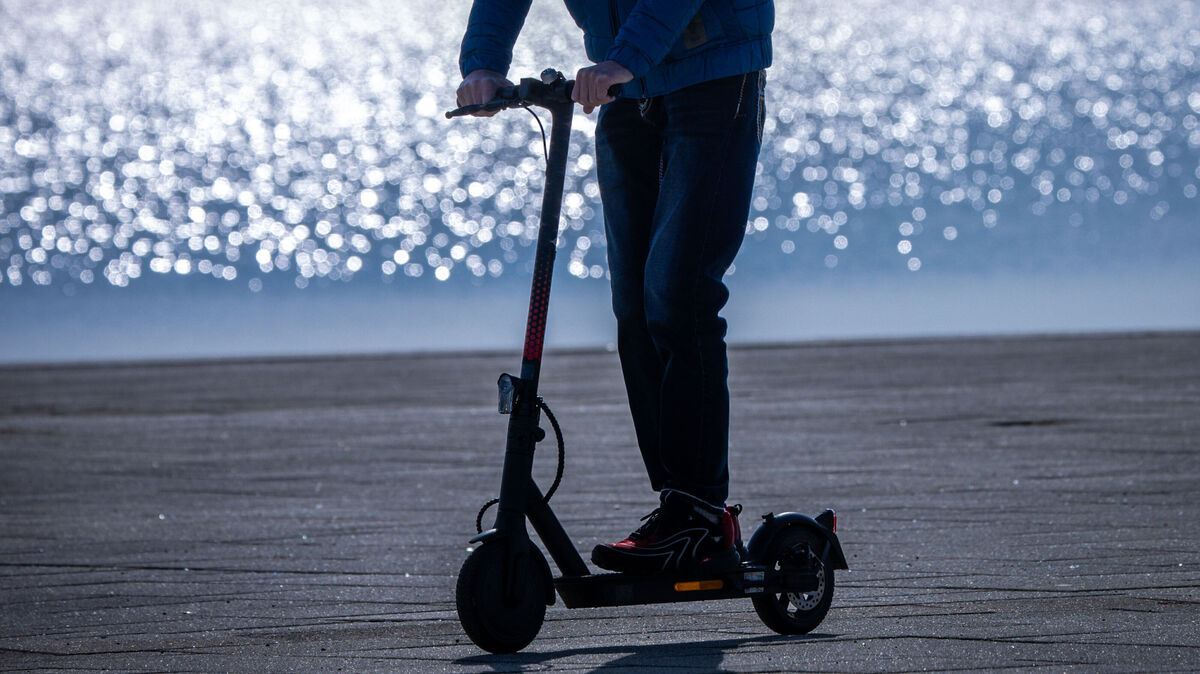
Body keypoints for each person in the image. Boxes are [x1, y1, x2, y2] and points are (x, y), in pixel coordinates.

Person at [456, 0, 772, 575]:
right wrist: (482, 64)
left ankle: (699, 514)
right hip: (629, 92)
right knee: (635, 308)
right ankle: (680, 509)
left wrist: (624, 58)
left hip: (713, 77)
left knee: (679, 297)